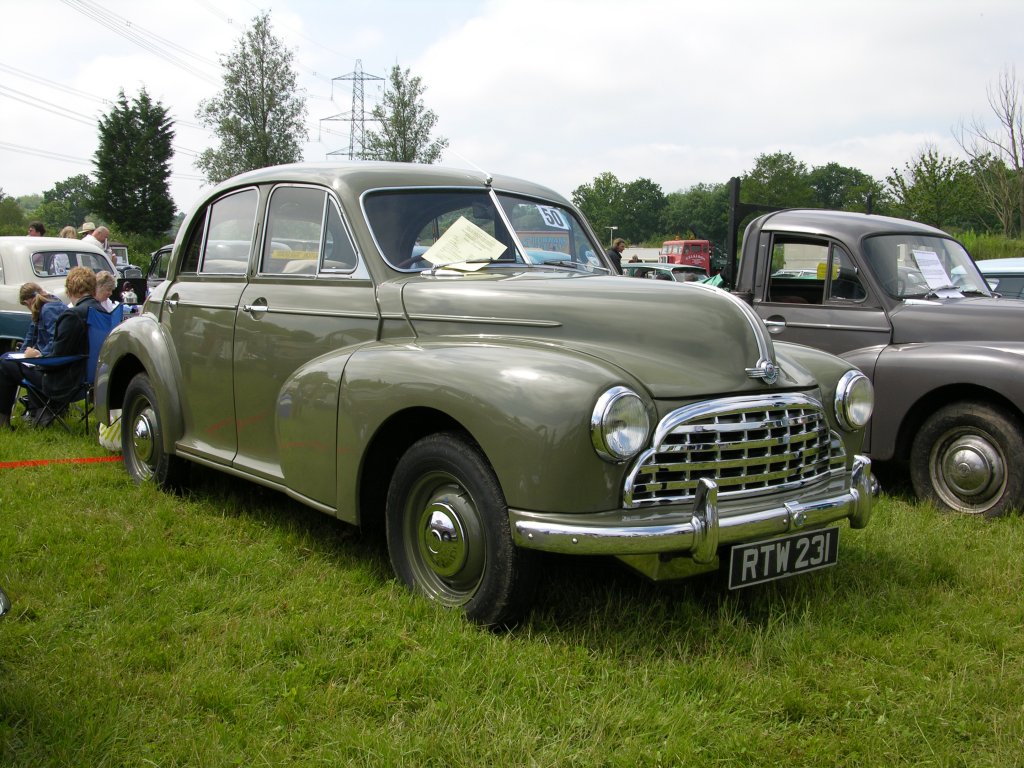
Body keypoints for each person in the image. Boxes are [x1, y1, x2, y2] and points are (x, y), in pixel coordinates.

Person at [18, 267, 100, 428]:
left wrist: (36, 356)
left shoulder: (73, 315)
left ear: (69, 289)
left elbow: (57, 356)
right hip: (92, 378)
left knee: (8, 365)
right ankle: (40, 412)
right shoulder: (101, 310)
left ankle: (30, 415)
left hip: (67, 382)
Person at [0, 284, 67, 429]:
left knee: (5, 363)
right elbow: (30, 338)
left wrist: (37, 355)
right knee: (6, 359)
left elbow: (55, 341)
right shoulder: (45, 308)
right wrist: (23, 354)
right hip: (48, 367)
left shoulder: (50, 309)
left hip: (50, 371)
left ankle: (5, 418)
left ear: (27, 302)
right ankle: (37, 411)